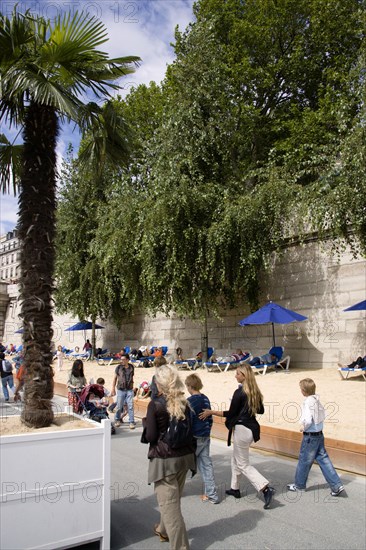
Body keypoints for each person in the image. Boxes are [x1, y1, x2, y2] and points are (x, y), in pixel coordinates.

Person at [200, 363, 275, 509]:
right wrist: (247, 408)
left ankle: (265, 488)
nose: (235, 376)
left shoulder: (239, 392)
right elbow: (260, 410)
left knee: (243, 464)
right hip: (251, 430)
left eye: (237, 374)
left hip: (241, 430)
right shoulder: (254, 391)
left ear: (244, 375)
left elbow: (231, 413)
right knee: (236, 459)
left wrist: (211, 412)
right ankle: (235, 488)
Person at [143, 364, 196, 549]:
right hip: (185, 457)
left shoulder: (155, 404)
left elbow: (150, 436)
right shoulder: (184, 402)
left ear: (159, 384)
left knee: (172, 510)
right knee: (172, 502)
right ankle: (163, 530)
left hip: (165, 461)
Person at [287, 378, 344, 496]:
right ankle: (336, 485)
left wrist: (303, 427)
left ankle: (299, 485)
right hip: (319, 434)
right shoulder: (316, 400)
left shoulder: (307, 402)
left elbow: (307, 419)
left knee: (304, 460)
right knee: (324, 459)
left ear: (303, 390)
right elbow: (323, 415)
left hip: (310, 437)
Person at [185, 373, 219, 504]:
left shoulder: (190, 401)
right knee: (206, 465)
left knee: (183, 463)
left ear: (189, 386)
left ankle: (174, 489)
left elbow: (189, 421)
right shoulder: (205, 399)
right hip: (205, 435)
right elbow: (209, 417)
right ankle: (212, 495)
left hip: (195, 437)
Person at [110, 353, 135, 429]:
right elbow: (115, 378)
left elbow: (132, 378)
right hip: (120, 389)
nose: (122, 361)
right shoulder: (118, 368)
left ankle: (131, 422)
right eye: (121, 359)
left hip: (129, 390)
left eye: (123, 359)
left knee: (130, 406)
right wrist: (113, 389)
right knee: (119, 406)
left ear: (127, 360)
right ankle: (117, 420)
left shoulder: (131, 367)